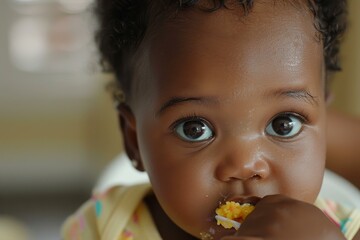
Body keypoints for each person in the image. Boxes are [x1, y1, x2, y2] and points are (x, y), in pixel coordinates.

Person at [62, 0, 360, 239]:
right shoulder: (103, 227)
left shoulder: (344, 231)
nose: (244, 165)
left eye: (284, 123)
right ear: (133, 141)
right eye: (195, 129)